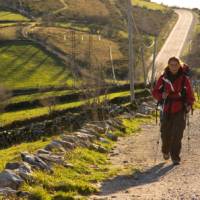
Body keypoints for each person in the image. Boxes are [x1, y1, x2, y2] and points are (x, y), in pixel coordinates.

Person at [152, 57, 195, 165]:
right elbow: (155, 92)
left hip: (180, 108)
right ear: (168, 65)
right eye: (171, 64)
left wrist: (189, 104)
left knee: (178, 134)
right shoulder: (163, 78)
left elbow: (190, 94)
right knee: (165, 133)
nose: (174, 67)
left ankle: (175, 157)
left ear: (179, 65)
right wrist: (161, 95)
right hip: (166, 108)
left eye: (176, 64)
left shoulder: (184, 79)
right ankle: (165, 151)